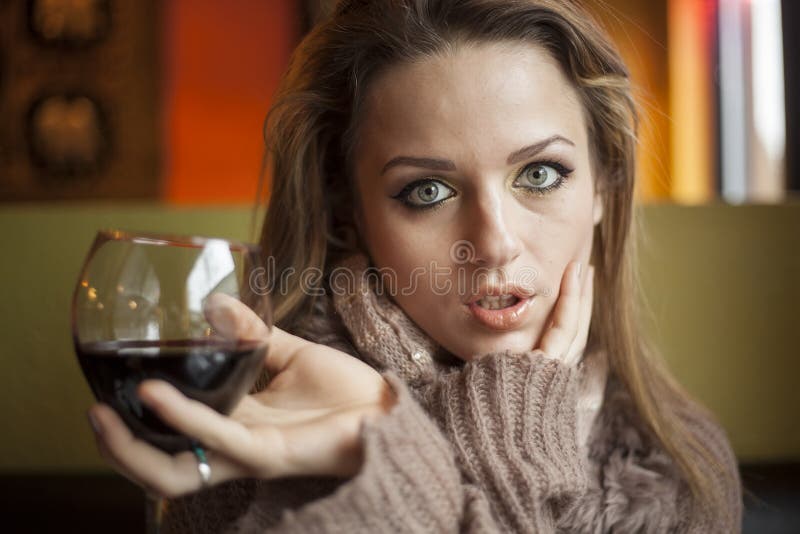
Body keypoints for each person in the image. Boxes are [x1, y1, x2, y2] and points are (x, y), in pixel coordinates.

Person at [86, 0, 743, 531]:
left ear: (602, 187)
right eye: (427, 191)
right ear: (348, 212)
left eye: (540, 173)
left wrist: (439, 441)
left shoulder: (680, 465)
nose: (494, 243)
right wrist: (378, 454)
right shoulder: (258, 437)